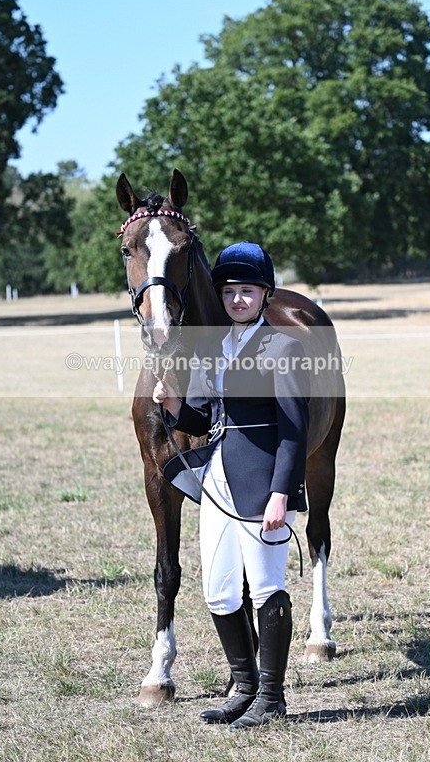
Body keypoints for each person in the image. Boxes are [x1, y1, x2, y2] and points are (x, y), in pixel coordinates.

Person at [152, 242, 309, 730]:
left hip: (262, 483)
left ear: (265, 295)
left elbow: (294, 429)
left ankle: (272, 697)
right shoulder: (216, 348)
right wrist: (174, 405)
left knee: (265, 586)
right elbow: (202, 415)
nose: (237, 300)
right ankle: (242, 688)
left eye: (247, 291)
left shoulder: (284, 347)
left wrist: (282, 492)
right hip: (216, 481)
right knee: (219, 590)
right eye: (230, 292)